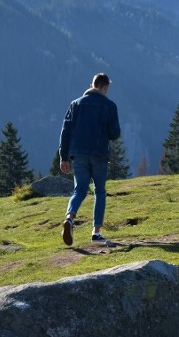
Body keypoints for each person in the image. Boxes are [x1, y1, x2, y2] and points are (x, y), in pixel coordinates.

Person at [58, 73, 121, 246]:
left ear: (92, 84)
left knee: (79, 190)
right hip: (99, 154)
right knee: (99, 191)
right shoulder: (109, 106)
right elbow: (115, 133)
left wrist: (63, 157)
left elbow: (65, 132)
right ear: (105, 86)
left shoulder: (75, 104)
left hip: (78, 155)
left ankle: (70, 218)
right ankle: (96, 232)